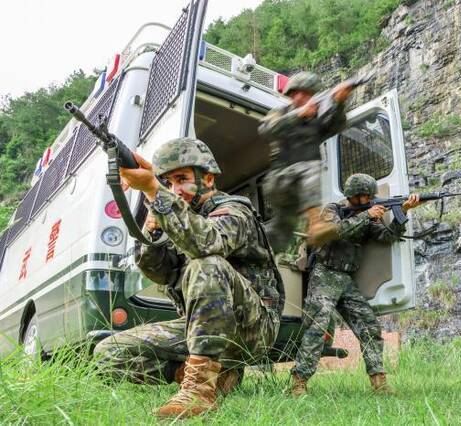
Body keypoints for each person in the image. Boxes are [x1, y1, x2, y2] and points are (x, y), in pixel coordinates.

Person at [94, 137, 283, 418]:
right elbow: (158, 271)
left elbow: (207, 244)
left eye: (181, 179)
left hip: (253, 328)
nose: (175, 189)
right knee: (107, 353)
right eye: (168, 183)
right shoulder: (177, 216)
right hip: (201, 329)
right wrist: (154, 228)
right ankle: (212, 376)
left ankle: (198, 392)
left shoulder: (234, 210)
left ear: (207, 178)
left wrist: (156, 192)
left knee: (206, 263)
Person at [289, 173, 423, 396]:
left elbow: (387, 237)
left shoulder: (368, 214)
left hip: (346, 279)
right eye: (365, 196)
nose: (368, 199)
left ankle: (379, 383)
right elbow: (335, 232)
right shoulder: (333, 210)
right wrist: (367, 215)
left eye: (370, 197)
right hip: (325, 274)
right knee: (317, 325)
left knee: (369, 325)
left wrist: (404, 212)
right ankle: (298, 383)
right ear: (355, 196)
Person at [259, 71, 355, 252]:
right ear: (291, 94)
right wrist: (299, 114)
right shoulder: (280, 113)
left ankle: (260, 254)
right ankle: (316, 224)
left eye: (307, 93)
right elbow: (267, 130)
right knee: (311, 163)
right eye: (297, 93)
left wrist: (339, 102)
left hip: (296, 190)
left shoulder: (315, 121)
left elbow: (337, 126)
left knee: (282, 230)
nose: (301, 97)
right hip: (278, 181)